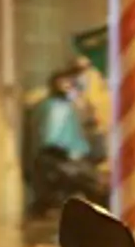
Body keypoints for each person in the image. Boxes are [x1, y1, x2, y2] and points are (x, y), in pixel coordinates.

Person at [29, 67, 104, 216]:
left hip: (70, 157)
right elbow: (51, 137)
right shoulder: (52, 106)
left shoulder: (68, 106)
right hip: (57, 157)